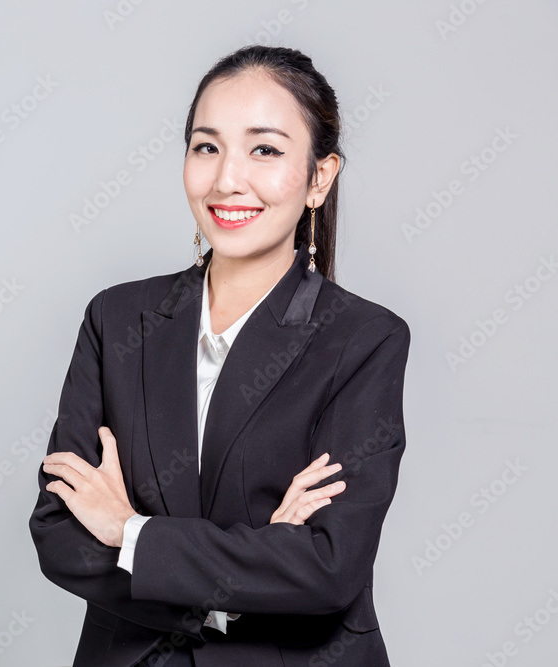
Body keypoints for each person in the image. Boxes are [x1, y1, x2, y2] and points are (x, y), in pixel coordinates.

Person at [28, 45, 410, 666]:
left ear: (319, 177)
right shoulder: (117, 320)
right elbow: (60, 534)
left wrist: (130, 532)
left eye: (265, 149)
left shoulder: (364, 339)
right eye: (207, 147)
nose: (228, 178)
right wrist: (256, 559)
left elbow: (326, 569)